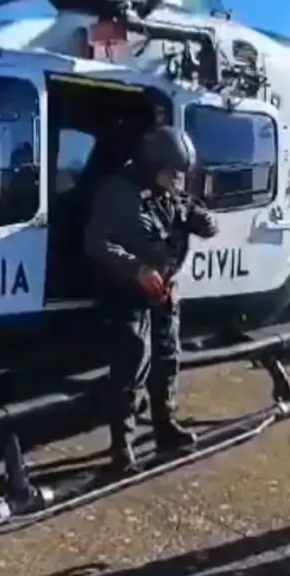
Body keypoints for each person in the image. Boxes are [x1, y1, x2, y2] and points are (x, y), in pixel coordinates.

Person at [84, 125, 219, 474]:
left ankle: (165, 425)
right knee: (133, 364)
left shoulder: (169, 195)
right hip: (127, 293)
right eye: (172, 171)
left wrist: (201, 214)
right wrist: (137, 270)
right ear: (152, 163)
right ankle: (122, 445)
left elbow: (201, 224)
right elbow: (98, 242)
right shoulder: (119, 192)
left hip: (163, 291)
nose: (176, 178)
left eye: (180, 173)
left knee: (167, 356)